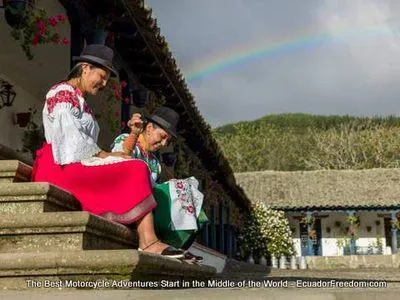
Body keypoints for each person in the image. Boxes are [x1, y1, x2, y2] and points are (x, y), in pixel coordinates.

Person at [31, 44, 184, 259]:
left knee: (134, 166)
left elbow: (82, 143)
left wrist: (108, 156)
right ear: (85, 68)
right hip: (60, 164)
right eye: (101, 76)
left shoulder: (81, 101)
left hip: (74, 161)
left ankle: (151, 238)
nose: (103, 83)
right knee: (136, 168)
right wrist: (106, 156)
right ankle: (148, 240)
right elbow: (70, 139)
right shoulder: (62, 92)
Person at [111, 107, 208, 262]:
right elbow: (120, 162)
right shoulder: (127, 140)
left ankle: (178, 246)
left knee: (187, 194)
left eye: (167, 141)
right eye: (162, 137)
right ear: (149, 128)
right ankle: (151, 242)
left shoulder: (155, 163)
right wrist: (133, 134)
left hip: (147, 206)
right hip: (124, 199)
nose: (163, 144)